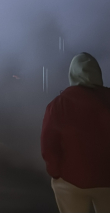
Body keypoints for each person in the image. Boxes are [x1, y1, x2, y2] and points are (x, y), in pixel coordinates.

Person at [41, 53, 110, 213]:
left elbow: (48, 143)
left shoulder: (58, 104)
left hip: (71, 180)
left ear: (72, 74)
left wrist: (55, 171)